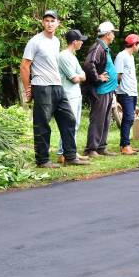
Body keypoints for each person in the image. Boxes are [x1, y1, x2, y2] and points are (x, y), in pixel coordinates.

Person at [19, 11, 88, 168]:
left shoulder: (56, 41)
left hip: (58, 86)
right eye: (47, 20)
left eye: (52, 21)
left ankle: (70, 156)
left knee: (69, 120)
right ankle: (42, 160)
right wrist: (27, 88)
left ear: (58, 23)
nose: (49, 23)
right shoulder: (35, 41)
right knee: (43, 124)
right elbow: (24, 66)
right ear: (43, 23)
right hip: (42, 87)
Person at [82, 21, 118, 157]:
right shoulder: (98, 47)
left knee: (106, 119)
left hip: (108, 90)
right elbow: (89, 64)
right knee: (97, 119)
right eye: (112, 33)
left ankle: (101, 147)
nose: (114, 35)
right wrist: (98, 78)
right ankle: (91, 149)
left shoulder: (104, 47)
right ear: (107, 34)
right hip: (100, 90)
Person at [56, 29, 89, 160]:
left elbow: (83, 75)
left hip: (76, 94)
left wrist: (79, 76)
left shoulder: (73, 56)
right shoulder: (63, 56)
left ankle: (71, 151)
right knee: (69, 125)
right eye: (81, 40)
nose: (82, 43)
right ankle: (61, 153)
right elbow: (74, 78)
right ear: (75, 42)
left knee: (75, 124)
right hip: (68, 95)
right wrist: (79, 76)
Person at [115, 34, 139, 155]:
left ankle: (125, 144)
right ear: (134, 44)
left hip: (132, 92)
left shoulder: (131, 57)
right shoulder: (121, 56)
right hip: (124, 92)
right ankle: (125, 145)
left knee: (130, 118)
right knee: (128, 118)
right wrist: (116, 93)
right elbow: (118, 75)